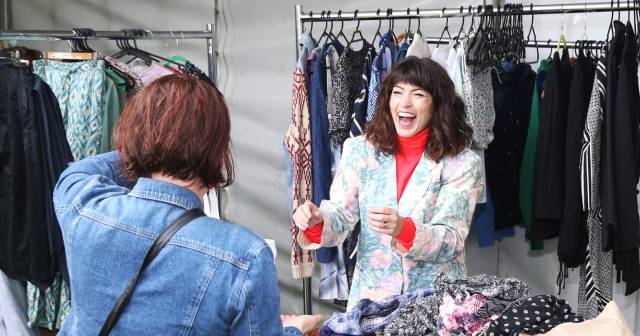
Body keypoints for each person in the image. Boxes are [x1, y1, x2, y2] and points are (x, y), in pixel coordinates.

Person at [53, 74, 323, 335]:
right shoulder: (245, 255)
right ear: (218, 151)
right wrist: (292, 330)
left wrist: (146, 143)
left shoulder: (82, 204)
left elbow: (78, 172)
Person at [294, 56, 483, 310]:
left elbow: (451, 239)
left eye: (418, 94)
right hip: (372, 303)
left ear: (438, 104)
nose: (405, 102)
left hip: (435, 306)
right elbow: (340, 216)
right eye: (397, 92)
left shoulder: (462, 163)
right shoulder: (361, 150)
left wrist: (405, 229)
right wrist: (317, 220)